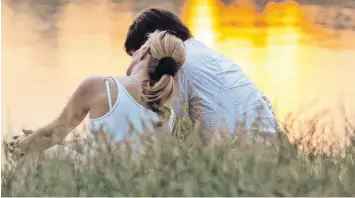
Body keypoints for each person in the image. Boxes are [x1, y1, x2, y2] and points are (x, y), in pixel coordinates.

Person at [10, 30, 186, 158]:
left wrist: (20, 147)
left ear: (145, 51)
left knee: (31, 153)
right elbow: (112, 148)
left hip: (91, 185)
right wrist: (43, 140)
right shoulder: (167, 112)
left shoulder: (102, 87)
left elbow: (52, 133)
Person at [124, 8, 281, 136]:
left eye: (139, 57)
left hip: (240, 159)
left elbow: (159, 128)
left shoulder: (176, 65)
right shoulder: (209, 55)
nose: (142, 68)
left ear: (150, 47)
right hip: (273, 148)